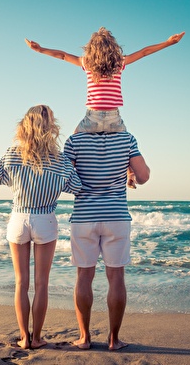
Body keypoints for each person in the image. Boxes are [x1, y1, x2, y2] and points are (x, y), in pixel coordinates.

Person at [0, 105, 82, 349]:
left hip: (19, 220)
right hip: (46, 221)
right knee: (41, 284)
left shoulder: (13, 154)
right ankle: (37, 337)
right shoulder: (60, 160)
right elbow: (77, 187)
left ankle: (23, 338)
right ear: (51, 128)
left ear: (25, 126)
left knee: (21, 283)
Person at [63, 129, 150, 351]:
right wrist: (128, 169)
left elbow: (64, 178)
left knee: (84, 275)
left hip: (84, 217)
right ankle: (114, 339)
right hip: (116, 217)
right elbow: (144, 176)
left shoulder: (74, 140)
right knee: (116, 276)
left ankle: (84, 338)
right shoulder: (127, 138)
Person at [25, 27, 185, 134]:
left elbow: (63, 55)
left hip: (92, 117)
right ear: (113, 47)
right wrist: (169, 43)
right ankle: (130, 173)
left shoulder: (86, 63)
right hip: (113, 117)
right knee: (127, 145)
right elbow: (144, 52)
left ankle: (70, 175)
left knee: (73, 142)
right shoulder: (119, 62)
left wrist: (40, 50)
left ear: (91, 49)